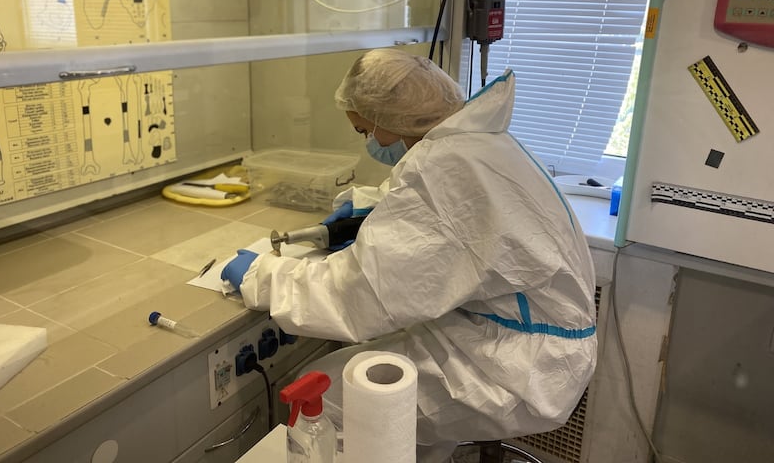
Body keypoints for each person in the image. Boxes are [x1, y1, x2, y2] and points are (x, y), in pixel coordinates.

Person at [228, 48, 597, 463]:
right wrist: (371, 210)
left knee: (331, 392)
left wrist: (262, 275)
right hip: (517, 336)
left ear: (395, 120)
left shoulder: (444, 165)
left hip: (515, 367)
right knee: (399, 400)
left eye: (365, 130)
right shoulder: (474, 143)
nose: (370, 143)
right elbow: (448, 217)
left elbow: (361, 295)